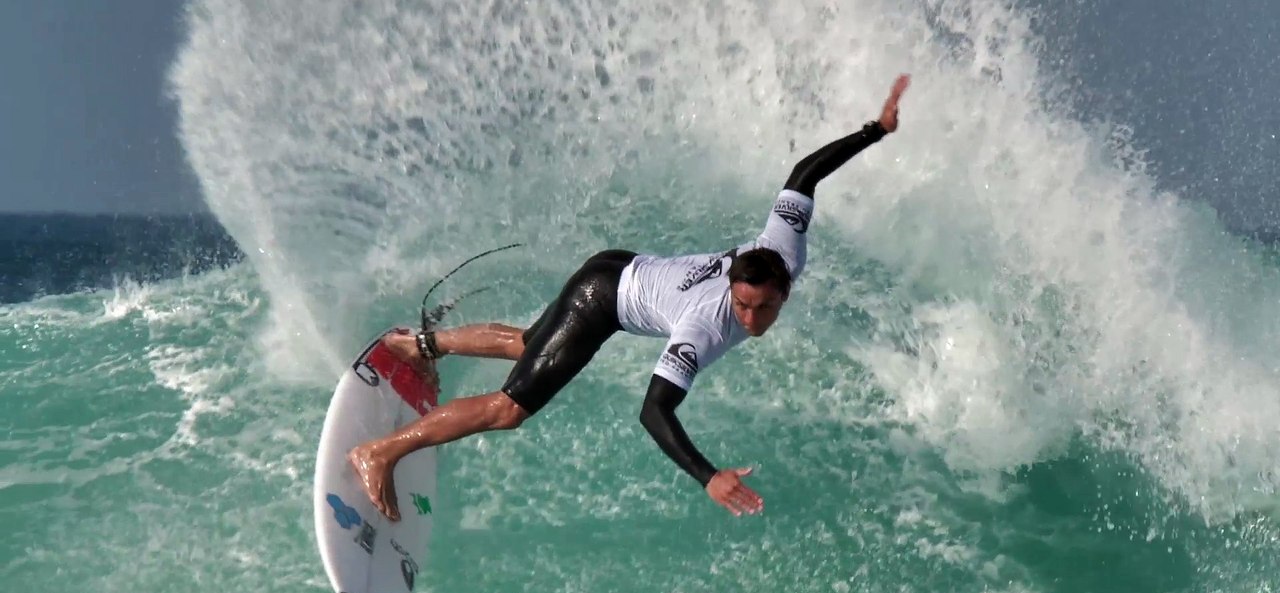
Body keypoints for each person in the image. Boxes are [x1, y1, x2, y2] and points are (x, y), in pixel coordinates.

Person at [350, 74, 911, 520]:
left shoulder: (780, 247)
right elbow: (654, 409)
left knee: (534, 343)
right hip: (603, 300)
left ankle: (418, 345)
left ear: (783, 286)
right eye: (743, 305)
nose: (751, 316)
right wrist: (707, 475)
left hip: (618, 268)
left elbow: (803, 175)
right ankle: (379, 453)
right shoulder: (706, 326)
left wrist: (876, 129)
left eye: (762, 307)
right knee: (508, 409)